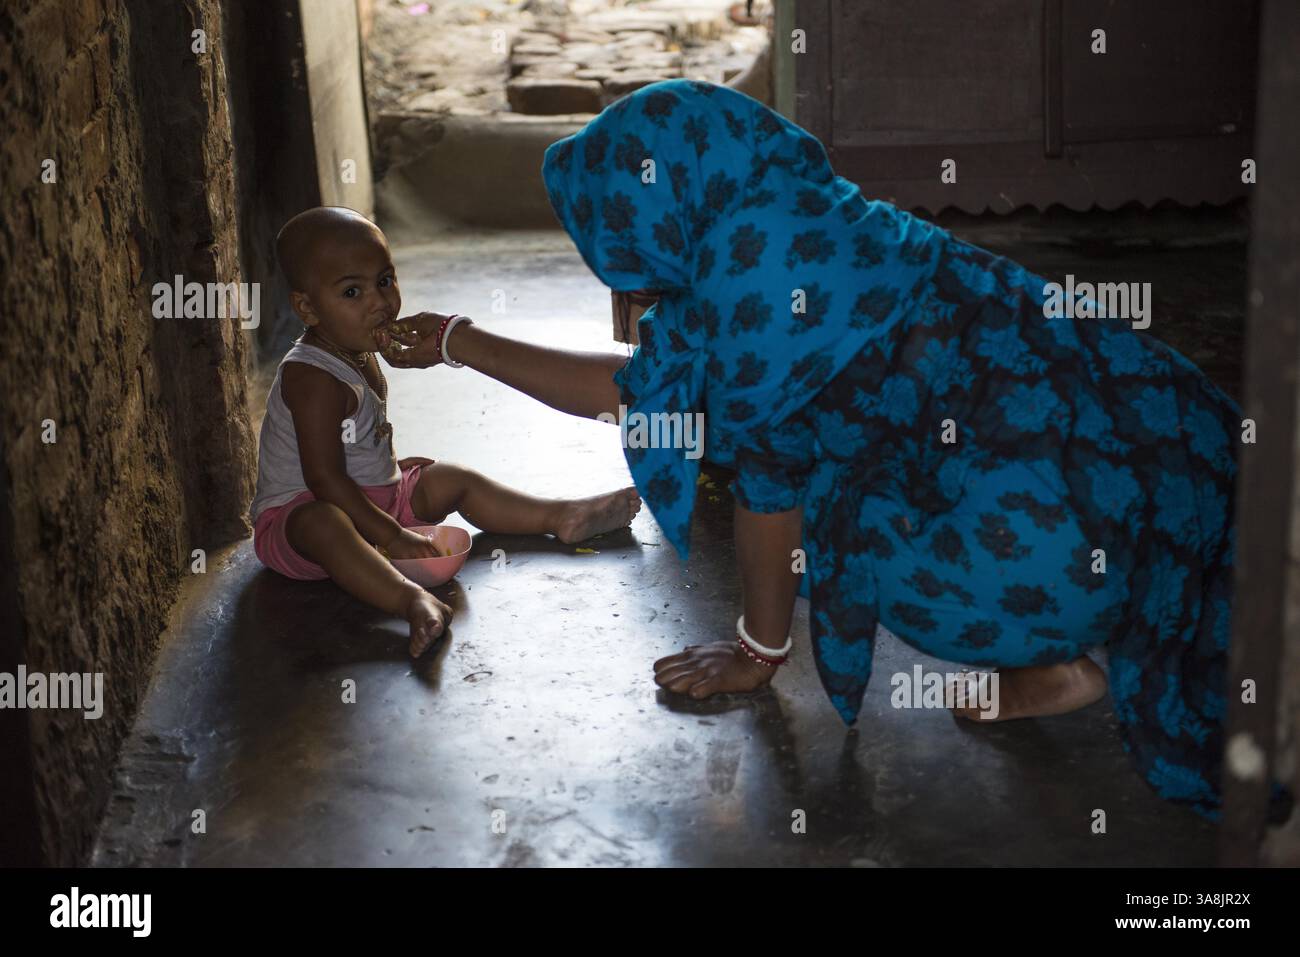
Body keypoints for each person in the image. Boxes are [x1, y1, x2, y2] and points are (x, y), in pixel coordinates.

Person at [378, 80, 1245, 818]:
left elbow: (762, 493)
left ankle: (1049, 641)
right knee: (902, 455)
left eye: (620, 242)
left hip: (1068, 520)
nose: (620, 269)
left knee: (849, 516)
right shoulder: (789, 216)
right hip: (1171, 443)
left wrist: (758, 653)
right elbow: (652, 384)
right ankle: (1054, 665)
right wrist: (462, 340)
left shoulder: (759, 320)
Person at [249, 207, 641, 657]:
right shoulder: (312, 377)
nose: (379, 302)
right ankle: (410, 600)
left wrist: (389, 472)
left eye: (384, 280)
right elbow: (324, 479)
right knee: (324, 521)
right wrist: (393, 536)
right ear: (307, 307)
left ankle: (559, 515)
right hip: (302, 522)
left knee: (453, 478)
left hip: (372, 502)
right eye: (352, 292)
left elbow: (359, 439)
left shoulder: (356, 351)